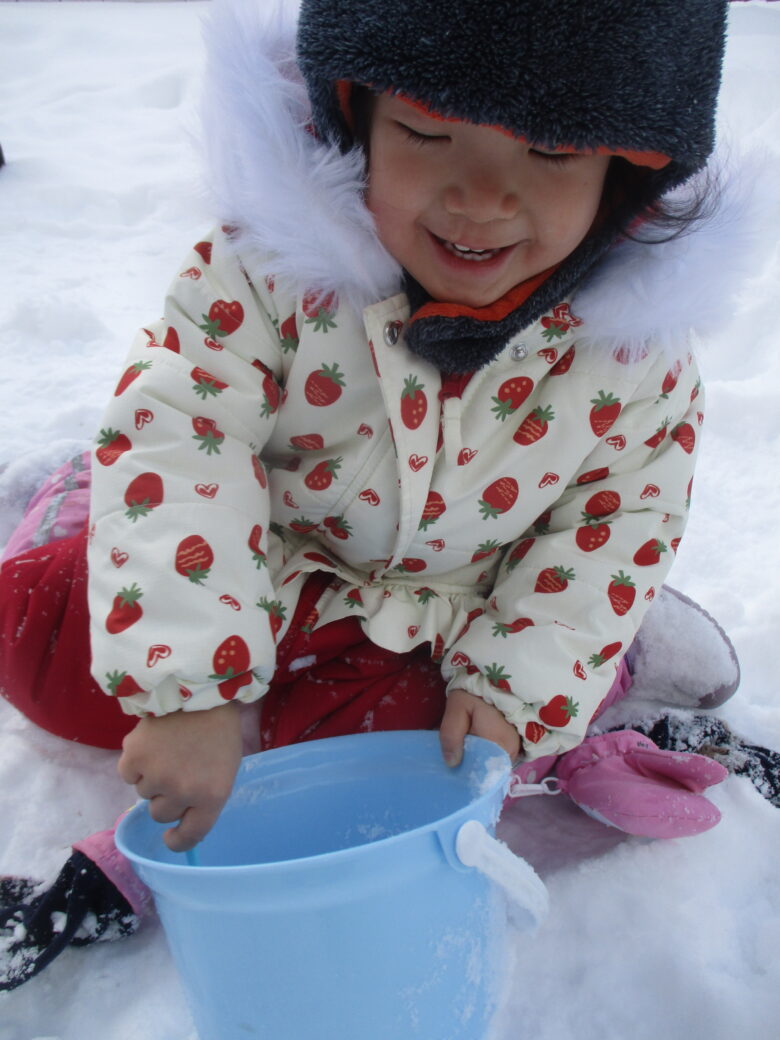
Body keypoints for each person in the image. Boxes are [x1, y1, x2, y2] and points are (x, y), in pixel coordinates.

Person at [3, 0, 774, 991]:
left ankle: (609, 660)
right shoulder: (273, 270)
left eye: (549, 151)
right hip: (258, 551)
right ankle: (79, 497)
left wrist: (513, 690)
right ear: (351, 113)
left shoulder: (631, 358)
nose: (481, 196)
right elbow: (189, 432)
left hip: (438, 611)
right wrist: (185, 685)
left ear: (628, 172)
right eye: (424, 130)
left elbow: (614, 525)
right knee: (35, 643)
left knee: (400, 763)